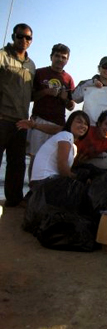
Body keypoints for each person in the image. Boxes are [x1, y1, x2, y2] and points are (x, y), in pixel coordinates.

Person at [19, 43, 75, 180]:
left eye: (63, 57)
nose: (60, 59)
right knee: (36, 158)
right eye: (57, 56)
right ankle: (32, 192)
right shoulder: (39, 73)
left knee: (55, 159)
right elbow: (29, 97)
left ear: (67, 60)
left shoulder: (68, 79)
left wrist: (65, 100)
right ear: (51, 57)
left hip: (58, 124)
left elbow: (71, 106)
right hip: (39, 121)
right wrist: (45, 92)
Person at [0, 23, 36, 207]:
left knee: (17, 164)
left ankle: (14, 200)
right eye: (20, 36)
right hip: (2, 119)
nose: (23, 40)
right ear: (13, 36)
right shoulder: (2, 56)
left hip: (21, 121)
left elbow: (31, 93)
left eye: (28, 37)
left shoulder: (31, 65)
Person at [30, 111, 90, 183]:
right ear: (70, 123)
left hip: (43, 181)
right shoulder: (66, 135)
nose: (82, 125)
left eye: (86, 124)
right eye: (79, 122)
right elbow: (62, 166)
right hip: (45, 181)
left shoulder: (73, 147)